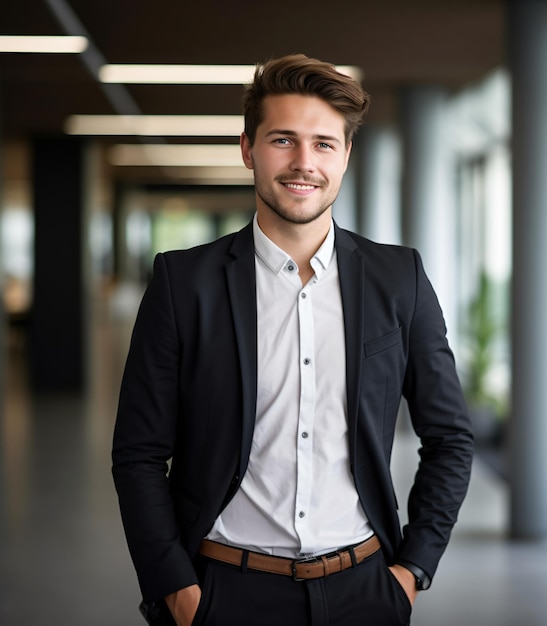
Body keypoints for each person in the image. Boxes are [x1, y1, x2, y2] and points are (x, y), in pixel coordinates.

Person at [112, 53, 473, 626]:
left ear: (347, 155)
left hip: (365, 591)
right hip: (222, 593)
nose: (304, 163)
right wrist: (178, 589)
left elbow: (450, 436)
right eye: (283, 140)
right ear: (248, 148)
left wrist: (413, 571)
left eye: (324, 144)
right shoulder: (184, 283)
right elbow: (138, 453)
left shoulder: (397, 279)